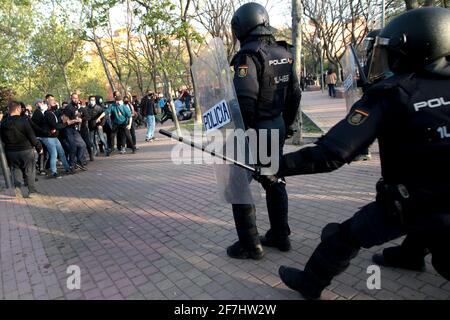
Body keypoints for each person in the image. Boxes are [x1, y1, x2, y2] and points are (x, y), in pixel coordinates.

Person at [263, 7, 450, 299]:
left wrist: (276, 166)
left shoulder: (391, 93)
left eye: (390, 52)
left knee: (341, 237)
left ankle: (310, 284)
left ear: (412, 48)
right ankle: (410, 256)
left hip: (412, 203)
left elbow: (331, 153)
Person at [227, 2, 301, 260]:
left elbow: (245, 100)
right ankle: (281, 236)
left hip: (254, 129)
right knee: (274, 179)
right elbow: (295, 93)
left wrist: (241, 133)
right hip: (277, 125)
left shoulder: (248, 56)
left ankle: (250, 245)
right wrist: (288, 124)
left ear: (243, 26)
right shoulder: (284, 51)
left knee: (239, 185)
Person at [0, 101, 43, 197]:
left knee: (16, 169)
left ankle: (17, 189)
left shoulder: (3, 123)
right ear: (18, 109)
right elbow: (31, 136)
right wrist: (39, 147)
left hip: (11, 151)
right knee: (30, 170)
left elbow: (2, 138)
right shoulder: (23, 120)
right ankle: (31, 191)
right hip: (26, 150)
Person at [40, 95, 74, 178]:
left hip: (54, 137)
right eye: (53, 102)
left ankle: (67, 168)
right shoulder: (48, 114)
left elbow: (56, 124)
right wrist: (66, 123)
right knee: (54, 154)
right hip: (48, 137)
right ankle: (54, 172)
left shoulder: (52, 113)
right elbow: (56, 125)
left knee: (61, 152)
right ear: (49, 105)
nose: (55, 103)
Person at [63, 93, 87, 171]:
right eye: (74, 98)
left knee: (83, 145)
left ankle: (79, 162)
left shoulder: (76, 106)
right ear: (71, 98)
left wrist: (79, 118)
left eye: (77, 98)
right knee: (73, 147)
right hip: (68, 129)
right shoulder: (68, 107)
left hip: (74, 129)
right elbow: (64, 121)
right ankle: (71, 165)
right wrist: (75, 120)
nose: (75, 100)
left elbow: (77, 115)